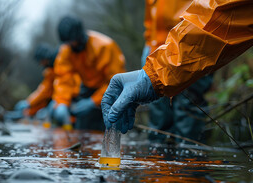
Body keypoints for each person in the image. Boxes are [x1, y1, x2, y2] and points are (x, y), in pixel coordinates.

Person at [102, 0, 253, 134]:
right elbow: (151, 23)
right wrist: (149, 49)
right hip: (159, 56)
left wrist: (157, 70)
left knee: (188, 113)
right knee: (159, 120)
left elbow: (221, 12)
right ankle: (159, 162)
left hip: (192, 51)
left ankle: (191, 161)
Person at [142, 0, 213, 143]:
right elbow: (150, 21)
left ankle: (190, 158)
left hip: (194, 46)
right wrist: (149, 46)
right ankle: (158, 159)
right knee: (158, 108)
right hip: (157, 51)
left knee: (188, 106)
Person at [53, 16, 126, 131]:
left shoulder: (105, 46)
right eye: (68, 42)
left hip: (108, 91)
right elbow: (63, 79)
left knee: (107, 127)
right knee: (82, 127)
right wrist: (62, 103)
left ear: (79, 35)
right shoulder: (66, 50)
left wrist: (93, 101)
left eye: (72, 41)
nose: (71, 45)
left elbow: (117, 82)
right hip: (87, 89)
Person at [5, 43, 80, 126]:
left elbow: (67, 86)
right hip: (61, 99)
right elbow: (44, 91)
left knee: (61, 114)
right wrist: (29, 103)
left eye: (40, 61)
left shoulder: (63, 63)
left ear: (44, 58)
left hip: (73, 99)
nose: (41, 64)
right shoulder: (50, 71)